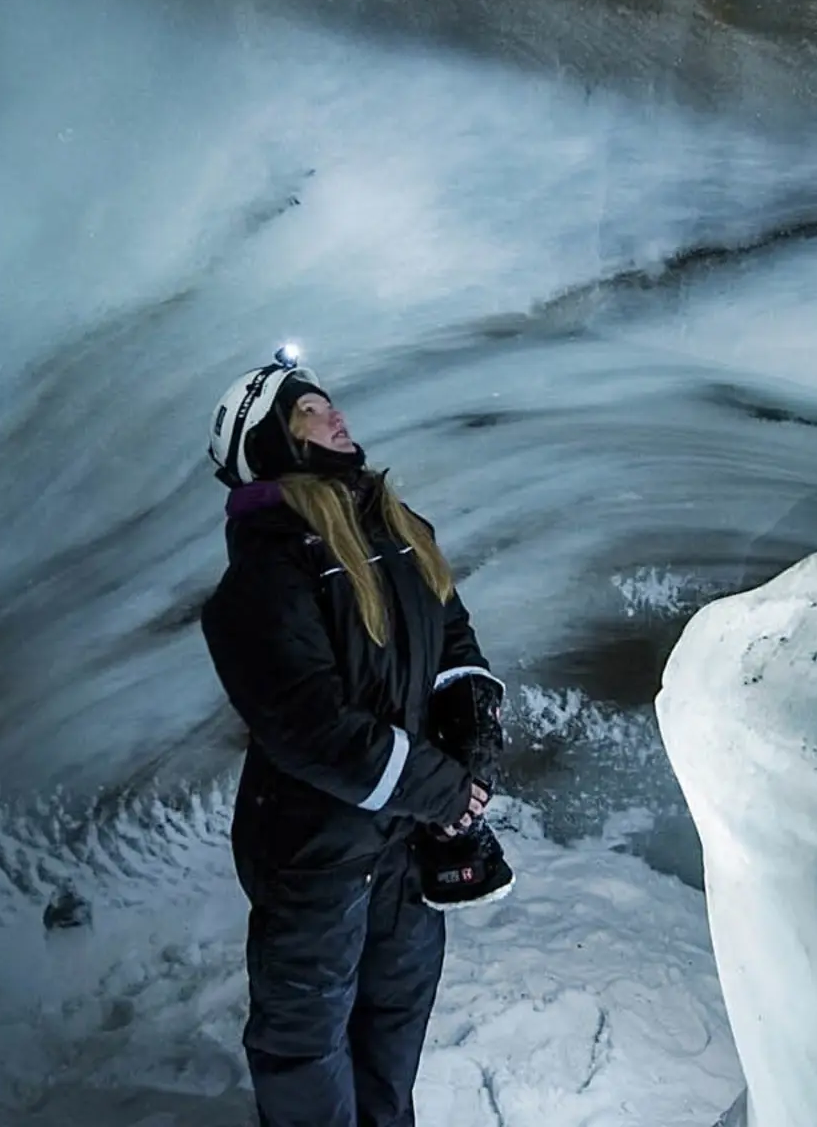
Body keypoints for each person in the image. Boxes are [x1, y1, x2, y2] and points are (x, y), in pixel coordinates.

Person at [201, 348, 515, 1127]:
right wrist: (443, 787)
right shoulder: (263, 576)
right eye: (306, 411)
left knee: (392, 1020)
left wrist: (472, 726)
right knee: (306, 1042)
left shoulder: (402, 535)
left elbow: (452, 639)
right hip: (317, 853)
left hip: (406, 845)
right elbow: (313, 729)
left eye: (327, 403)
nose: (333, 415)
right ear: (270, 444)